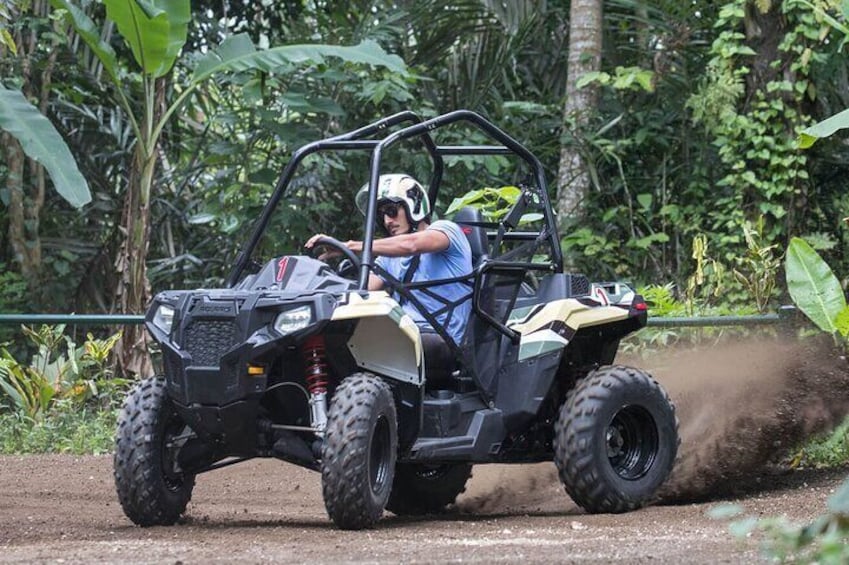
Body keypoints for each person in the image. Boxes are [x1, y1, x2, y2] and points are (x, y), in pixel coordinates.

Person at [306, 174, 472, 346]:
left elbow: (411, 245)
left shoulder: (447, 230)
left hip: (440, 337)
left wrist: (351, 245)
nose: (387, 221)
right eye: (382, 215)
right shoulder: (388, 259)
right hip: (403, 331)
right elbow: (362, 291)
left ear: (412, 206)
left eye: (391, 211)